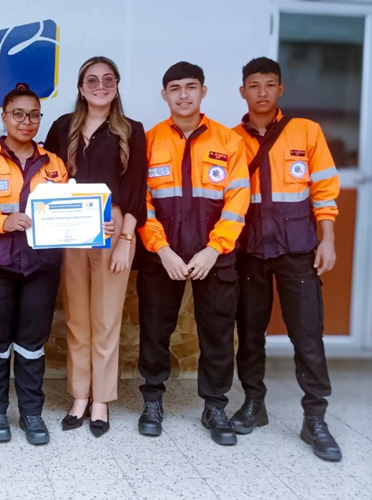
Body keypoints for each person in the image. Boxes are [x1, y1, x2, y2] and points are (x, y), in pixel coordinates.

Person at [230, 57, 342, 462]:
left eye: (270, 84)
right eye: (254, 85)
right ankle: (253, 404)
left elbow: (325, 191)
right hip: (248, 252)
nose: (262, 92)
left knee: (307, 337)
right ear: (242, 91)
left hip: (298, 250)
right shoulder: (229, 139)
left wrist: (326, 241)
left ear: (281, 90)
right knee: (251, 335)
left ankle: (315, 419)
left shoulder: (306, 132)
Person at [136, 62, 250, 446]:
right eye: (175, 88)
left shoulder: (228, 142)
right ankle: (152, 400)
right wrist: (161, 248)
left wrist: (214, 250)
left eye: (191, 87)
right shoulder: (149, 141)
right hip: (161, 256)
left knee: (216, 333)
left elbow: (237, 202)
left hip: (215, 257)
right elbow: (142, 203)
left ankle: (215, 405)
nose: (183, 94)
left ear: (203, 92)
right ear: (164, 95)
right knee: (155, 331)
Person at [0, 83, 69, 445]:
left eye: (34, 114)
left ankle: (32, 414)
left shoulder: (54, 163)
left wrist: (96, 225)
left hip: (41, 266)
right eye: (17, 114)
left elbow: (68, 211)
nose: (26, 121)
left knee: (33, 344)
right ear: (3, 117)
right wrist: (3, 222)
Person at [44, 56, 147, 437]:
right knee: (76, 318)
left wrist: (124, 238)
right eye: (91, 79)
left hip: (113, 224)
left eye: (107, 79)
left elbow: (137, 189)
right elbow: (46, 178)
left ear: (117, 84)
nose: (99, 85)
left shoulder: (131, 130)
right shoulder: (61, 128)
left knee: (105, 318)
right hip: (71, 228)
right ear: (80, 86)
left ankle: (101, 400)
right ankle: (79, 396)